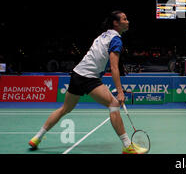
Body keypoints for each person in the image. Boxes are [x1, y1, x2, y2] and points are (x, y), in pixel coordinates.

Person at [28, 11, 147, 154]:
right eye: (124, 19)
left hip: (77, 74)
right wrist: (120, 92)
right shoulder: (116, 39)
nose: (128, 21)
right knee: (114, 104)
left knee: (65, 108)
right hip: (89, 77)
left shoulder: (102, 36)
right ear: (116, 23)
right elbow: (114, 67)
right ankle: (127, 146)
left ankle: (37, 138)